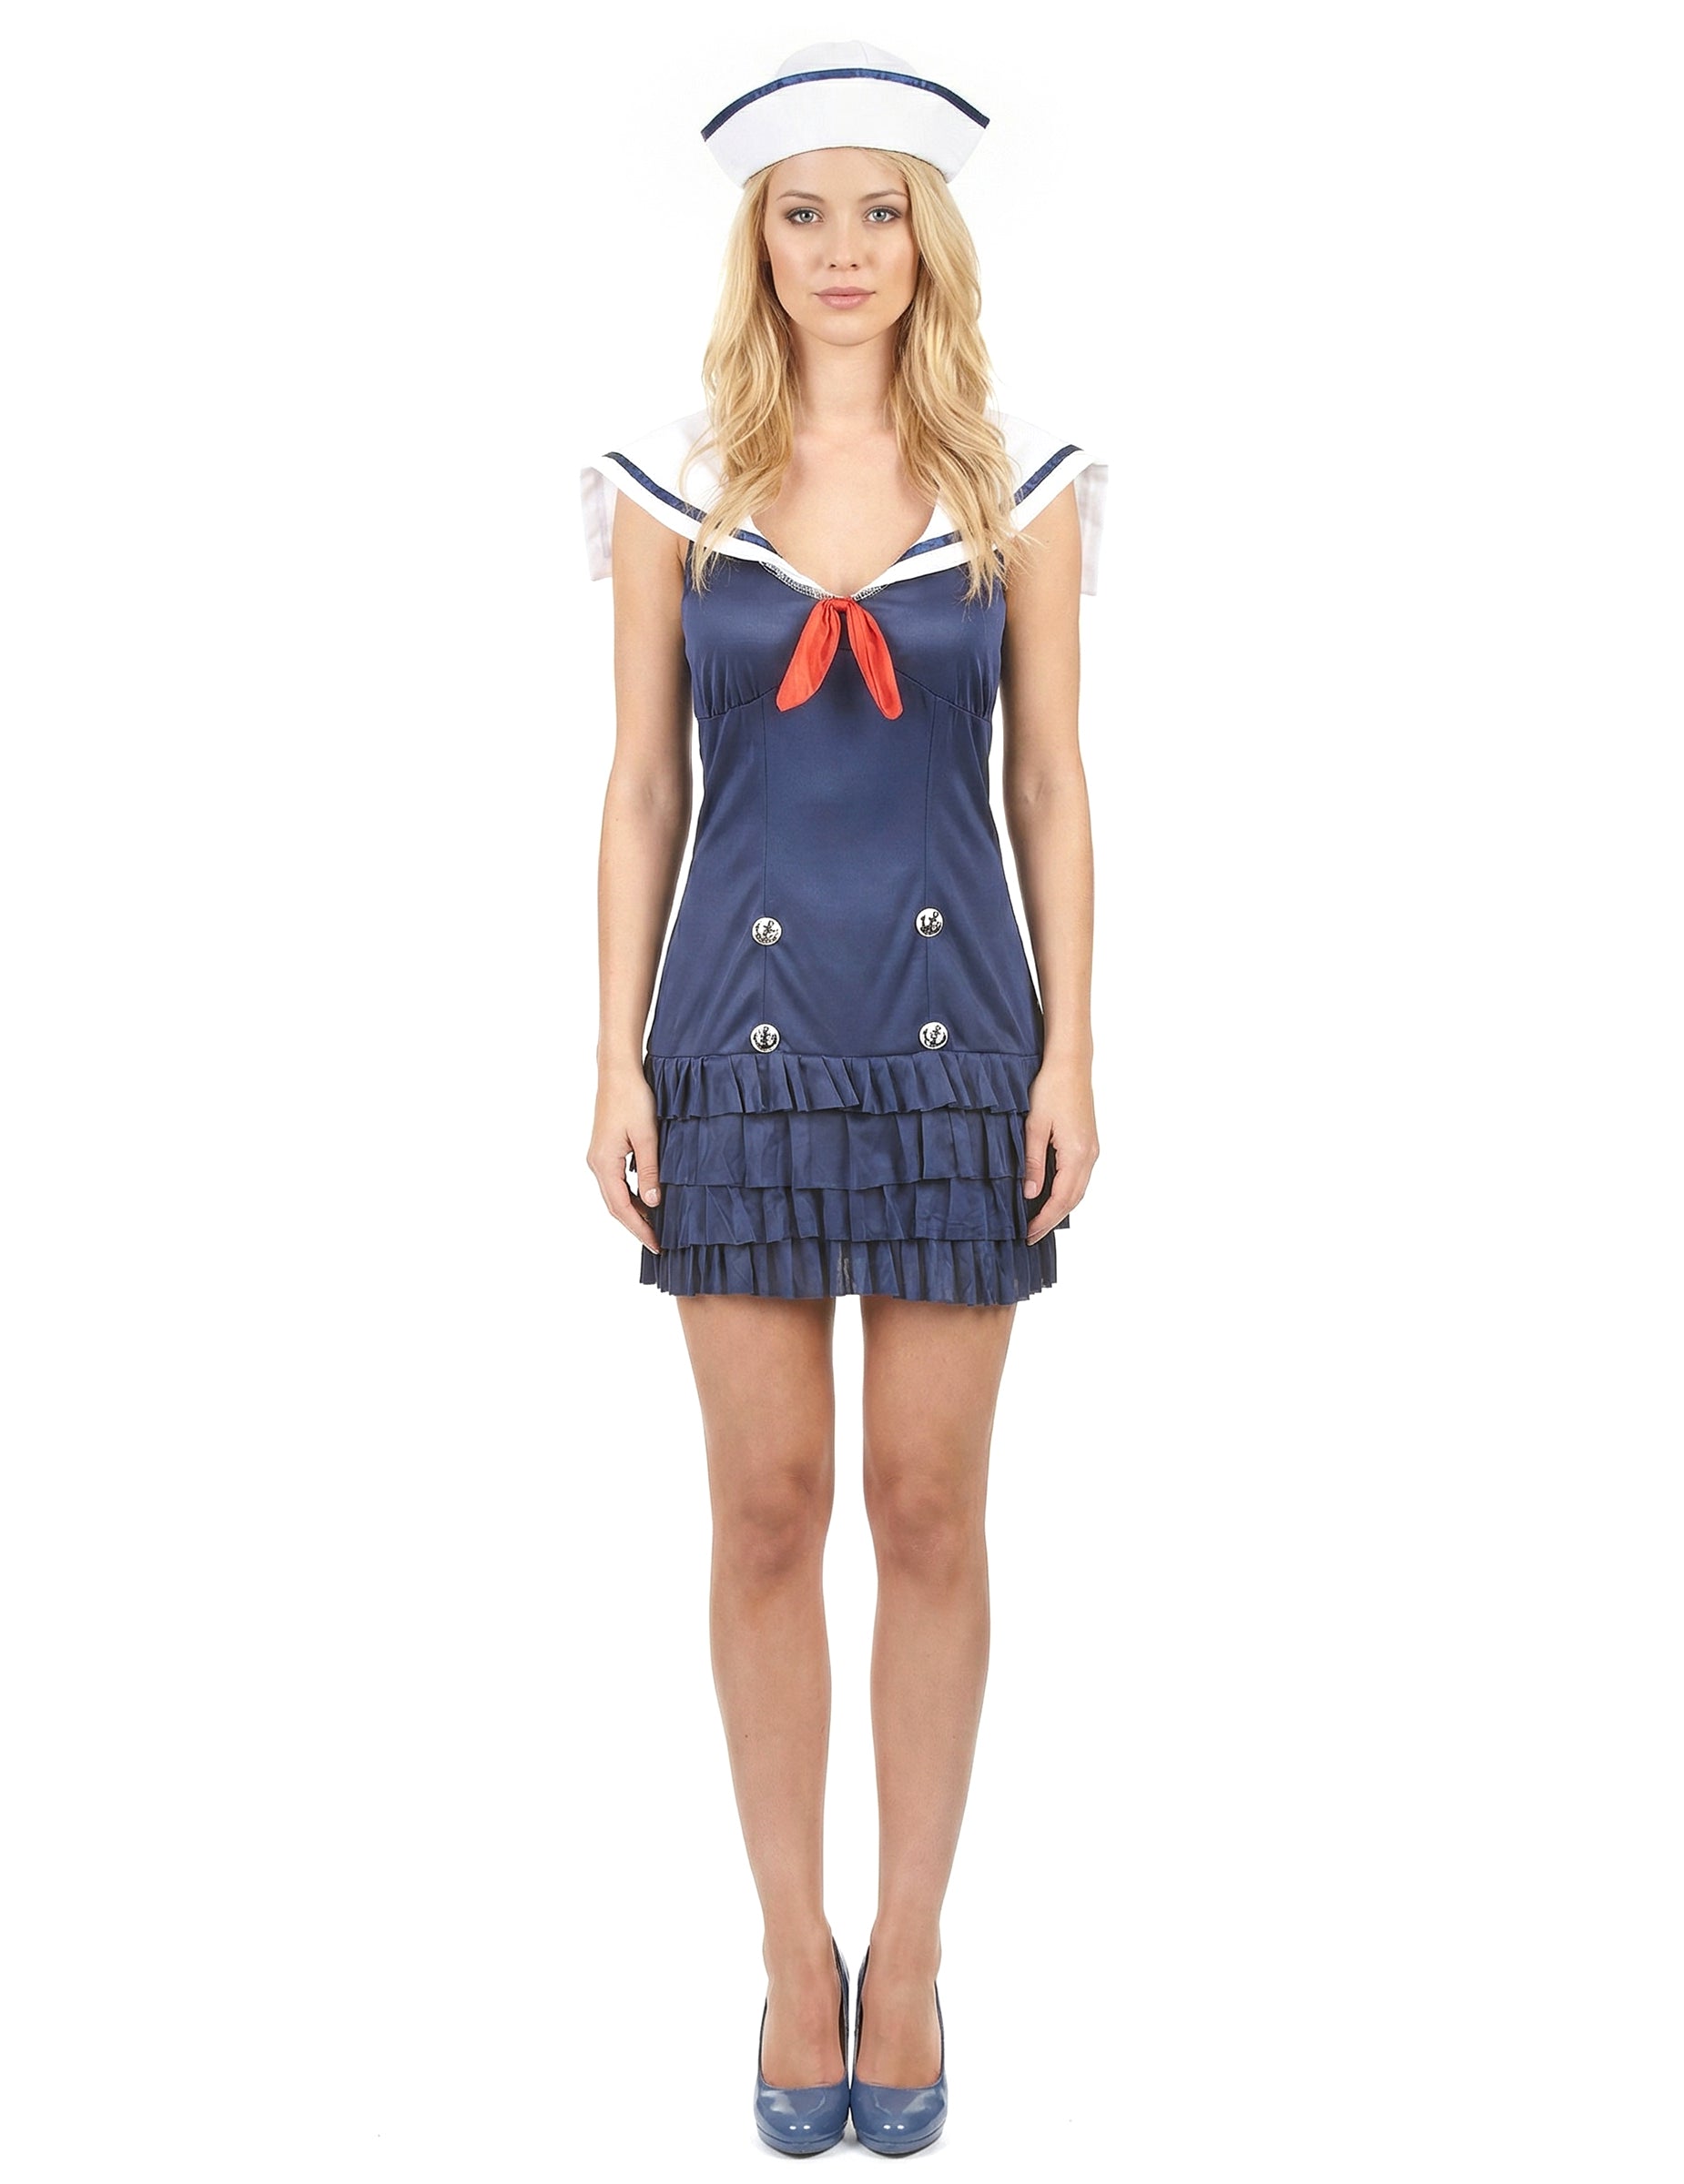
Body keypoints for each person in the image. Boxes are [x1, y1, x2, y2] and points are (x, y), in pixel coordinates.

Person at [582, 41, 1106, 2157]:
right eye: (803, 214)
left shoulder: (1024, 489)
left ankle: (916, 1948)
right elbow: (641, 790)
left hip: (960, 1043)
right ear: (758, 241)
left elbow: (1050, 784)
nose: (841, 251)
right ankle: (793, 1953)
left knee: (929, 1510)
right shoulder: (665, 490)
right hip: (735, 1046)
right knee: (766, 1509)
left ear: (927, 239)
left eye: (876, 211)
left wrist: (1076, 1049)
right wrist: (609, 1056)